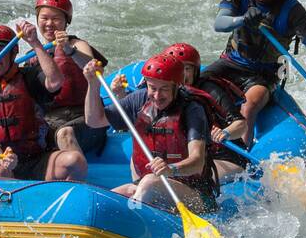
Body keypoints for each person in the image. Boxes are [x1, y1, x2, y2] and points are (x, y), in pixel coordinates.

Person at [205, 0, 306, 146]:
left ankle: (243, 154)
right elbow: (219, 24)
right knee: (197, 85)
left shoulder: (292, 10)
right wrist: (243, 19)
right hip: (231, 62)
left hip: (265, 73)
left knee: (249, 105)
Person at [83, 53, 219, 213]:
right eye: (152, 88)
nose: (156, 95)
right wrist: (92, 84)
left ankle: (135, 222)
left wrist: (171, 169)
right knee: (102, 202)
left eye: (164, 89)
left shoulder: (192, 109)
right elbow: (94, 120)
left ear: (176, 85)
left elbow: (197, 162)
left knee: (149, 182)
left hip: (196, 196)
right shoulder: (138, 100)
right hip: (147, 187)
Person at [0, 22, 88, 182]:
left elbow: (56, 81)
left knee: (75, 162)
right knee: (1, 172)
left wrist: (34, 42)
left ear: (13, 52)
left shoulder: (29, 77)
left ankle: (61, 199)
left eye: (0, 52)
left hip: (34, 158)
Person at [20, 0, 108, 157]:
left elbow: (91, 67)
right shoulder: (32, 57)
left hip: (85, 118)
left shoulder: (76, 44)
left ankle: (79, 178)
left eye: (56, 19)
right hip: (51, 121)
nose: (49, 23)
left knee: (65, 133)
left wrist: (69, 50)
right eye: (44, 18)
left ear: (66, 23)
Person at [162, 42, 249, 182]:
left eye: (186, 68)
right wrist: (121, 95)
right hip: (191, 156)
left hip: (223, 157)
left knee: (186, 179)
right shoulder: (165, 93)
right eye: (177, 68)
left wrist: (225, 133)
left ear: (195, 71)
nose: (181, 73)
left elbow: (241, 124)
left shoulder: (209, 90)